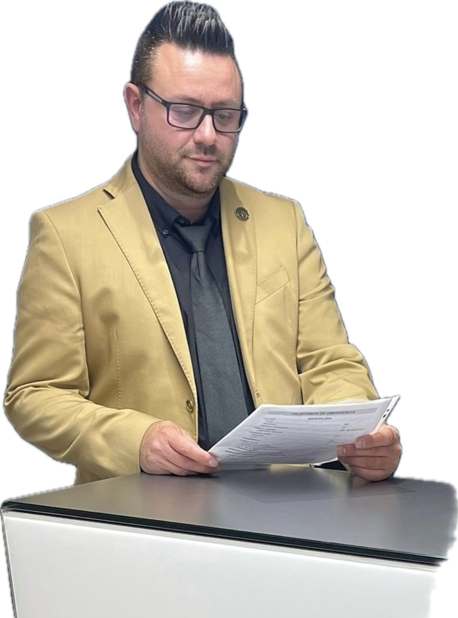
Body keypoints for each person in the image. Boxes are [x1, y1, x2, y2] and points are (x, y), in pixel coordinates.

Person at [4, 0, 401, 484]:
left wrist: (360, 434)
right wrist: (137, 440)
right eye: (186, 111)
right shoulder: (65, 234)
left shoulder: (285, 221)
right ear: (135, 106)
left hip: (286, 507)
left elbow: (328, 361)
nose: (208, 135)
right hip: (143, 512)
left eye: (225, 114)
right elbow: (36, 394)